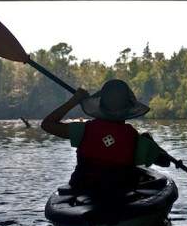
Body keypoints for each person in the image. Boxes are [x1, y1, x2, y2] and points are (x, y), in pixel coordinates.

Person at [41, 79, 171, 189]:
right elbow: (165, 162)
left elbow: (47, 124)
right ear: (128, 110)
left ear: (101, 107)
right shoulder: (137, 141)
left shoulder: (83, 130)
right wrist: (151, 142)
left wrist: (74, 100)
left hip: (83, 188)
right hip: (117, 196)